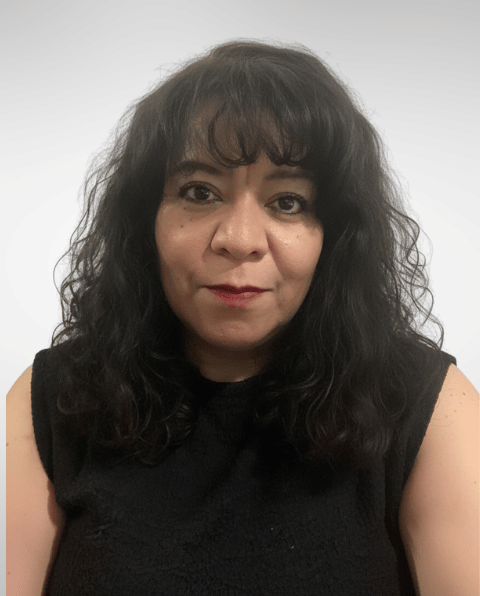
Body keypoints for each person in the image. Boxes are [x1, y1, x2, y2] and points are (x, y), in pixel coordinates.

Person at [6, 39, 479, 596]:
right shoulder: (50, 401)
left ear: (335, 236)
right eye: (199, 192)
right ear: (145, 220)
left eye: (288, 202)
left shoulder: (429, 407)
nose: (239, 239)